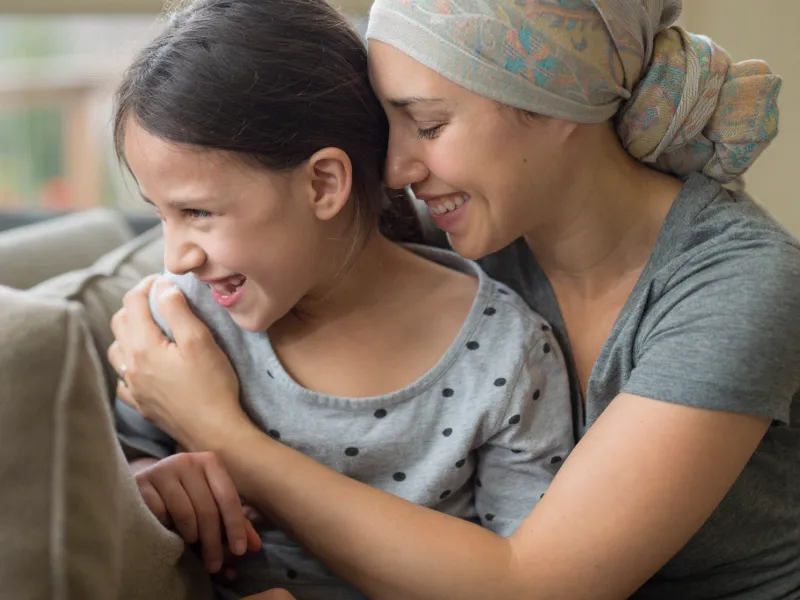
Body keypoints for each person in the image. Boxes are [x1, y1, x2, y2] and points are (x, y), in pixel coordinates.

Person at [110, 0, 800, 599]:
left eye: (430, 125)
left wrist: (220, 433)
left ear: (556, 103)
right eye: (389, 124)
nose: (396, 168)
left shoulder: (739, 285)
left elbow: (537, 586)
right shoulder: (457, 225)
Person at [108, 0, 574, 599]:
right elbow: (112, 466)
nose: (177, 257)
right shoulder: (184, 324)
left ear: (323, 183)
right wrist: (151, 483)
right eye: (162, 214)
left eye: (198, 212)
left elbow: (519, 574)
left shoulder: (507, 357)